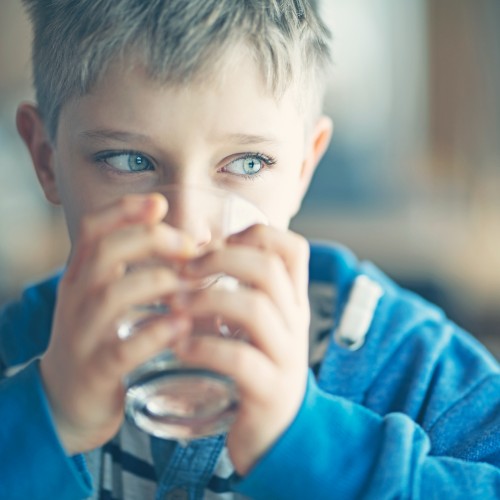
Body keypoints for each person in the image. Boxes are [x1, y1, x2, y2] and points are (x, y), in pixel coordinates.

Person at [1, 0, 499, 498]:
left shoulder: (412, 368)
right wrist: (44, 422)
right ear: (46, 160)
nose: (189, 230)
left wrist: (307, 446)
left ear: (305, 165)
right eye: (130, 160)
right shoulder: (18, 354)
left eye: (247, 164)